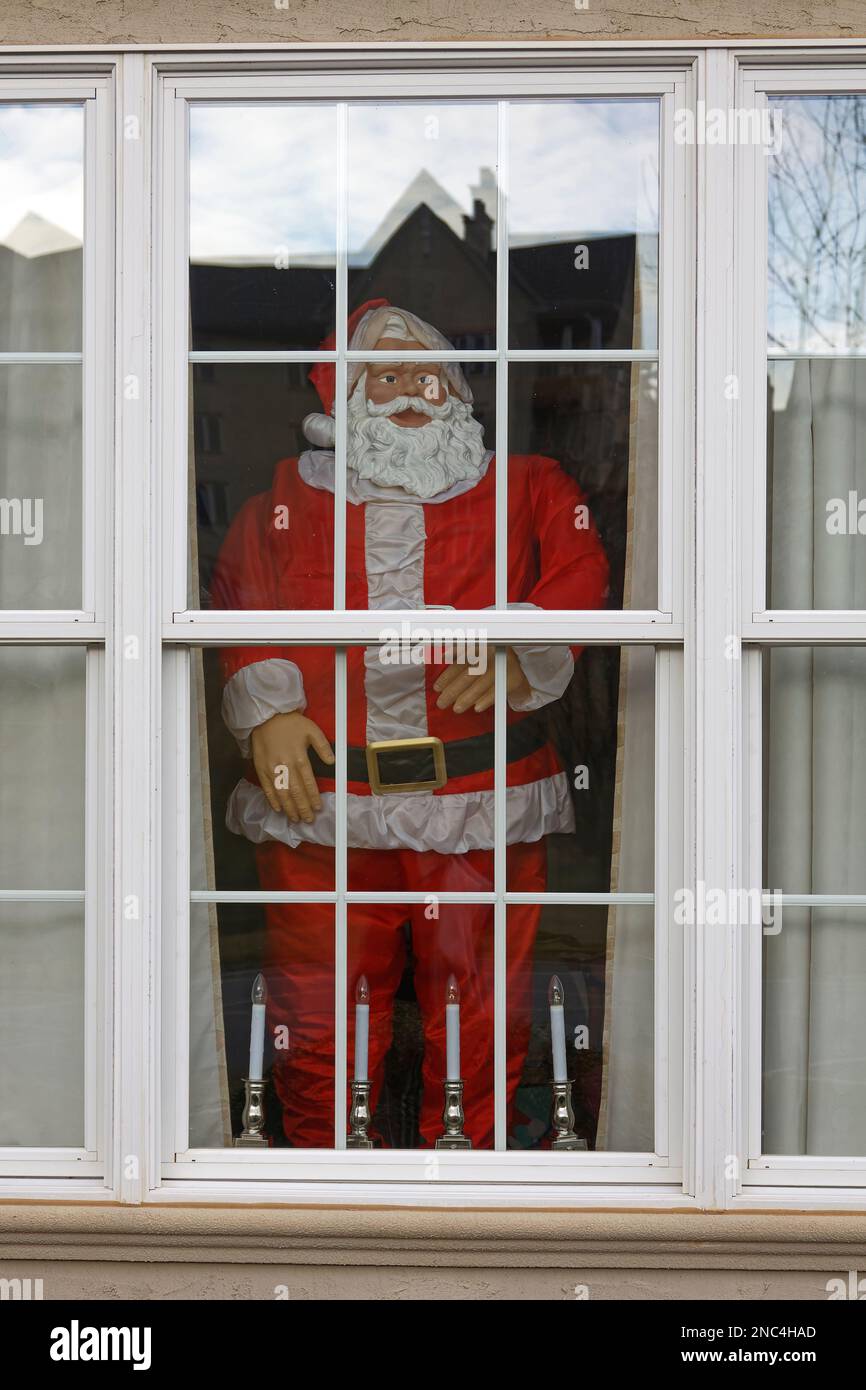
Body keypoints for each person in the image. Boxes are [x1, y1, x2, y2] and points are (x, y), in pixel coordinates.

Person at [213, 299, 609, 1148]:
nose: (408, 393)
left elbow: (580, 569)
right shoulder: (283, 501)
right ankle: (325, 1175)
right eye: (383, 376)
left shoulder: (530, 486)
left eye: (425, 374)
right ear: (345, 398)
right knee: (315, 1007)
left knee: (479, 1007)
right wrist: (267, 708)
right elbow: (242, 589)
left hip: (479, 796)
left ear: (458, 389)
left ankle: (469, 1177)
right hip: (323, 807)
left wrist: (520, 641)